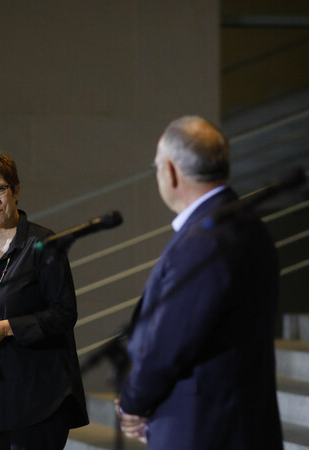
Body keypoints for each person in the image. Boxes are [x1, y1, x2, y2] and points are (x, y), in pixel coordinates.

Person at [116, 116, 283, 449]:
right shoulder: (246, 223)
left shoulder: (204, 240)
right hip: (238, 420)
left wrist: (133, 402)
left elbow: (169, 344)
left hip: (204, 427)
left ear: (171, 171)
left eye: (156, 168)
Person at [0, 150, 88, 450]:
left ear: (15, 190)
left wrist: (8, 327)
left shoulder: (44, 246)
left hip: (39, 399)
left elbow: (65, 314)